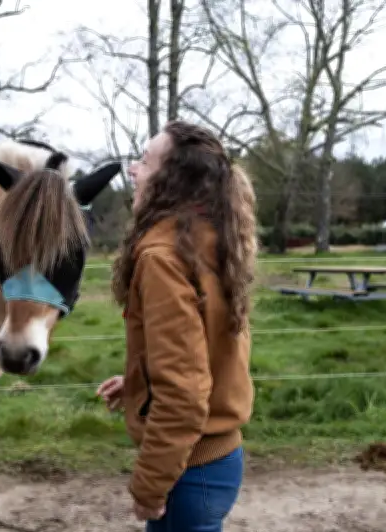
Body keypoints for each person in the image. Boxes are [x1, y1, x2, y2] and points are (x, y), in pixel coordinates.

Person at [97, 121, 257, 531]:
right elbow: (206, 354)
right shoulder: (212, 238)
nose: (133, 170)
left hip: (189, 470)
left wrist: (148, 487)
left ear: (173, 180)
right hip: (217, 460)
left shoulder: (163, 258)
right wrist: (139, 381)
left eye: (146, 163)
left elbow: (184, 392)